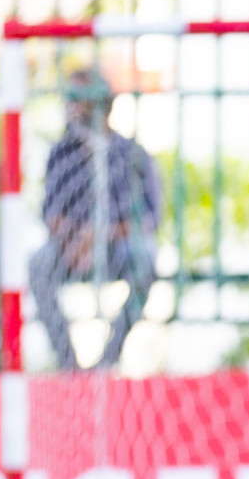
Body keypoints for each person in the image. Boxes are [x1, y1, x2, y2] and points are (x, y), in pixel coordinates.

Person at [30, 67, 162, 371]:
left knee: (146, 262)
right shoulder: (61, 154)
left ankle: (107, 362)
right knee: (37, 264)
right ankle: (69, 364)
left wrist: (98, 236)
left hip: (118, 246)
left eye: (78, 98)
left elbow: (149, 219)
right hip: (71, 249)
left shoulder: (133, 154)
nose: (70, 105)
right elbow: (51, 214)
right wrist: (73, 241)